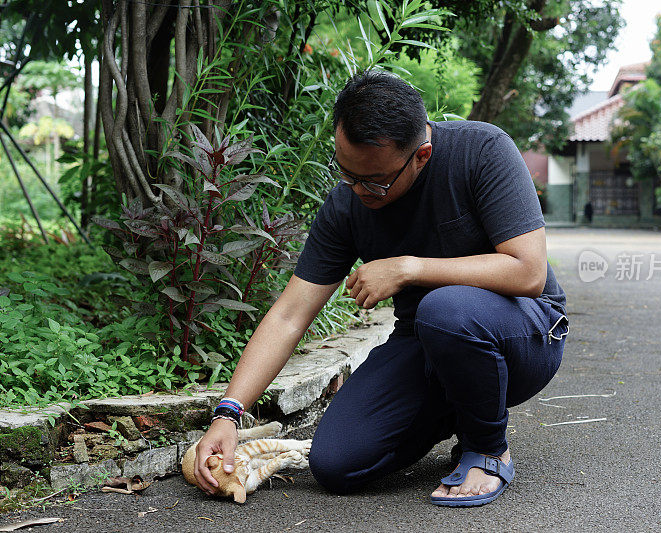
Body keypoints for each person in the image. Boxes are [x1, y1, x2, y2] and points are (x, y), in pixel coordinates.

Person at [193, 70, 568, 507]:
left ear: (421, 156)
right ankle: (462, 405)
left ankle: (486, 446)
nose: (357, 190)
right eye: (345, 172)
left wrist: (410, 268)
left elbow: (528, 272)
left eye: (374, 180)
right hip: (426, 342)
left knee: (444, 309)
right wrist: (228, 414)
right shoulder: (348, 201)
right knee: (337, 464)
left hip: (524, 333)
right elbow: (290, 314)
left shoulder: (481, 151)